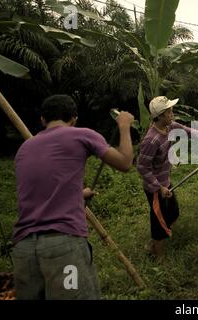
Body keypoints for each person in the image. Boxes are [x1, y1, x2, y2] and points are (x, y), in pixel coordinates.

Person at [12, 94, 134, 300]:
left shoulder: (25, 148)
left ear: (42, 120)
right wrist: (124, 126)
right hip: (63, 248)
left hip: (23, 251)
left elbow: (42, 192)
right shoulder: (81, 135)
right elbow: (124, 162)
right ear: (74, 119)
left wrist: (79, 194)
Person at [137, 96, 198, 261]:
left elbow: (190, 132)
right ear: (159, 116)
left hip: (166, 183)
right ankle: (159, 257)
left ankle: (154, 243)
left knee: (174, 213)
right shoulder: (151, 140)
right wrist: (159, 188)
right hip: (155, 189)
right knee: (158, 222)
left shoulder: (170, 127)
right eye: (168, 112)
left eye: (171, 110)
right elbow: (142, 167)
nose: (172, 114)